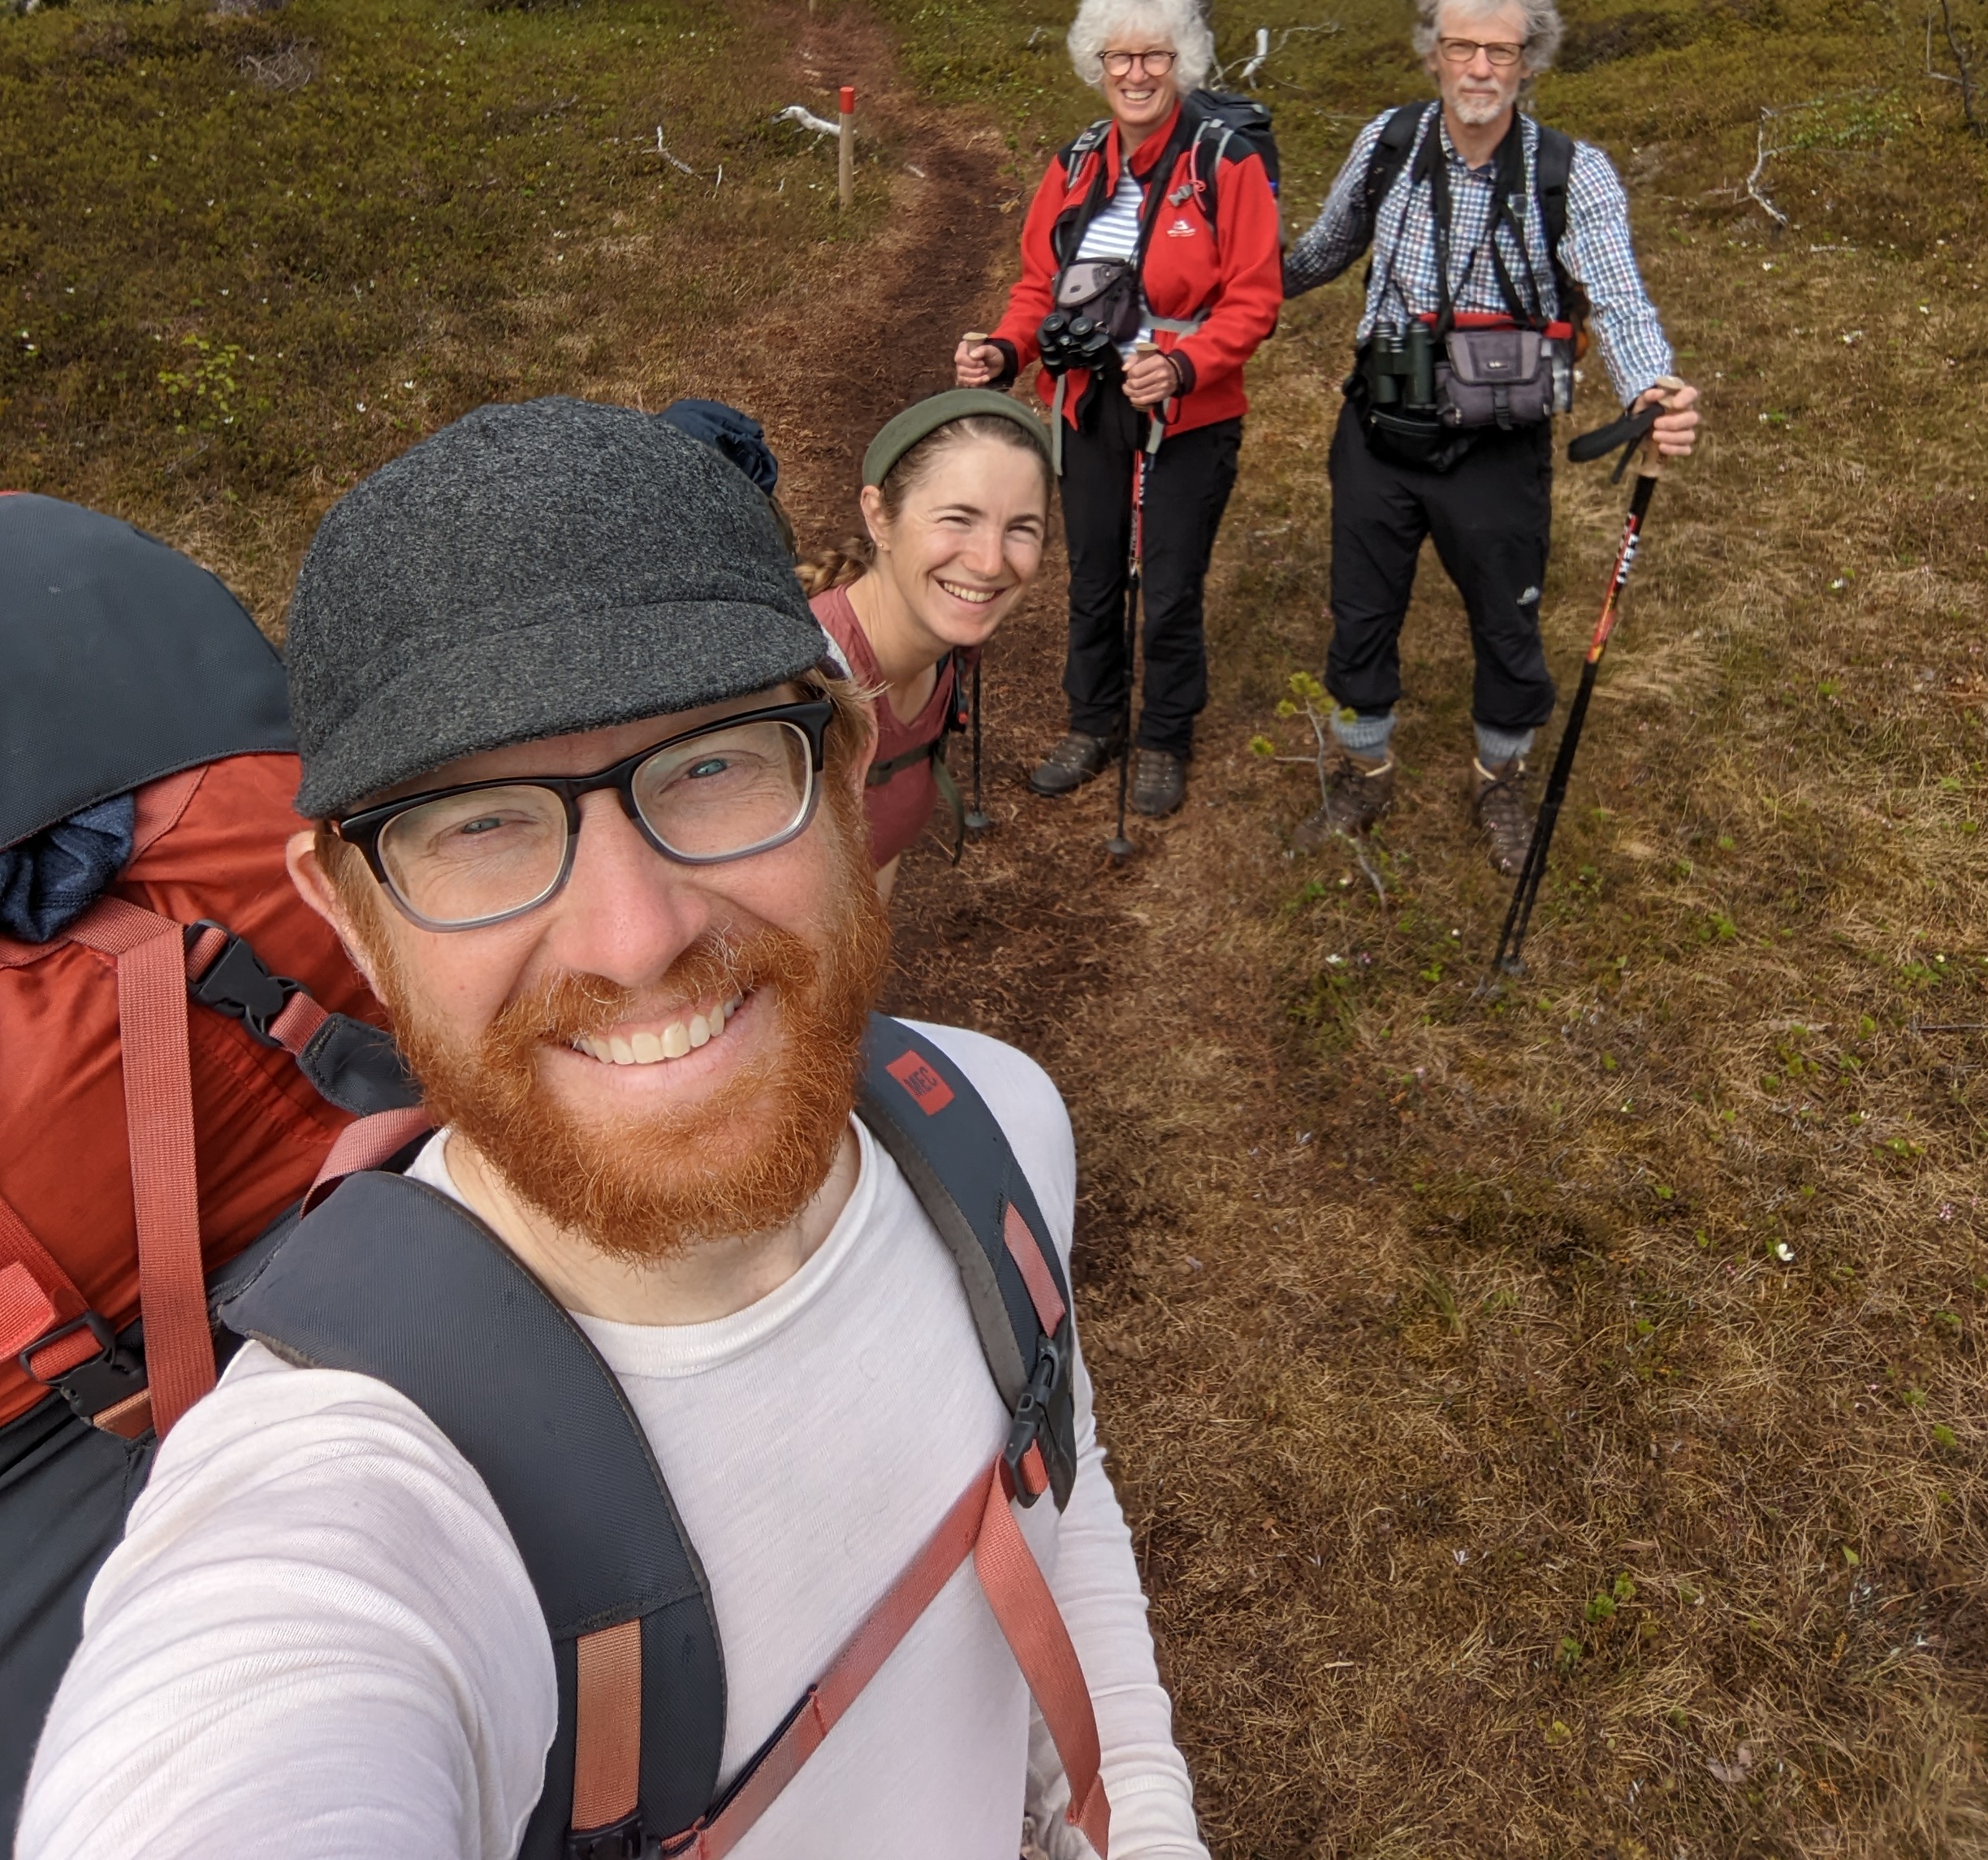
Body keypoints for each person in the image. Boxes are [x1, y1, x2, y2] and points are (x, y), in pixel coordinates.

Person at [17, 398, 1206, 1860]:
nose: (635, 937)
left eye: (711, 762)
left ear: (840, 780)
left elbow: (1050, 1488)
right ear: (343, 909)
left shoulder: (996, 1121)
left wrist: (1136, 1818)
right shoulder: (344, 1489)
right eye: (478, 823)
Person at [1281, 0, 1701, 873]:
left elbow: (1620, 297)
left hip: (1500, 437)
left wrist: (1651, 383)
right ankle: (1364, 770)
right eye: (1463, 46)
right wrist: (1227, 298)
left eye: (1501, 52)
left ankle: (1498, 779)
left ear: (1530, 60)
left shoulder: (1571, 173)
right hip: (1380, 422)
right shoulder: (1387, 143)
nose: (1480, 68)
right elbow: (1320, 252)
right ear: (1432, 49)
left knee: (1508, 620)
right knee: (1361, 611)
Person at [954, 0, 1282, 821]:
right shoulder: (1076, 163)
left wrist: (1183, 364)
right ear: (1095, 65)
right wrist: (1002, 350)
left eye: (1156, 56)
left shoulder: (1225, 163)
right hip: (1087, 405)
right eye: (1119, 58)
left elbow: (1255, 296)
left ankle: (1165, 735)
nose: (1136, 74)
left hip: (1188, 414)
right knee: (1095, 572)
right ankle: (1091, 720)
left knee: (1170, 580)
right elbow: (1039, 286)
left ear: (1185, 62)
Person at [797, 390, 1054, 900]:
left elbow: (877, 855)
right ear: (878, 517)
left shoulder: (947, 651)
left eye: (1021, 528)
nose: (988, 562)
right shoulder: (804, 687)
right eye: (958, 518)